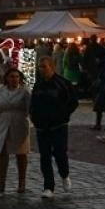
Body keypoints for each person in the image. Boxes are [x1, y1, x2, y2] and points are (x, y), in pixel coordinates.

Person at [30, 56, 76, 198]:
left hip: (58, 126)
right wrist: (35, 118)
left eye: (44, 66)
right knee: (45, 156)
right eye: (40, 67)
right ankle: (48, 186)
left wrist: (62, 115)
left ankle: (64, 174)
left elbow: (73, 102)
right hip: (42, 127)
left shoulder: (62, 84)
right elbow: (33, 104)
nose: (41, 69)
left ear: (52, 67)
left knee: (60, 153)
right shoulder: (38, 85)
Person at [0, 66, 31, 194]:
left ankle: (22, 183)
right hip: (3, 122)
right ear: (7, 78)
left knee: (21, 154)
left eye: (17, 77)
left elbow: (30, 109)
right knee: (2, 153)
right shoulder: (0, 89)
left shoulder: (24, 92)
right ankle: (1, 183)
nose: (14, 79)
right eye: (12, 77)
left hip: (19, 123)